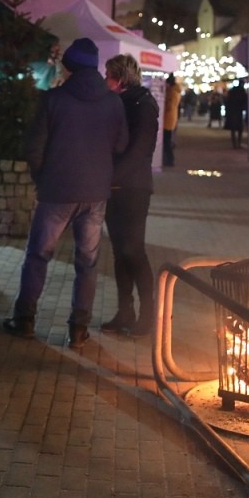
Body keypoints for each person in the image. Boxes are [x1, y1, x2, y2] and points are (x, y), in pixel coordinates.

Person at [3, 38, 127, 349]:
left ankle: (25, 320)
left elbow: (34, 146)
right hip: (95, 193)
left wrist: (43, 177)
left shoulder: (54, 99)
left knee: (38, 255)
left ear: (69, 65)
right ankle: (78, 329)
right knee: (87, 261)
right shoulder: (113, 102)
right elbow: (121, 145)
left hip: (57, 190)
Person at [100, 54, 160, 338]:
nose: (105, 80)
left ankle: (149, 315)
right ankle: (125, 311)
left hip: (134, 188)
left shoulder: (142, 105)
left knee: (133, 250)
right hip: (114, 187)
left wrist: (112, 178)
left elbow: (139, 151)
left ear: (120, 78)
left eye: (108, 75)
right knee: (119, 251)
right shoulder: (118, 103)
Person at [162, 74, 181, 167]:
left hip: (167, 120)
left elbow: (168, 107)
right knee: (167, 140)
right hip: (171, 119)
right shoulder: (176, 92)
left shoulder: (171, 93)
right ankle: (169, 159)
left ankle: (169, 160)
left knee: (166, 141)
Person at [225, 80, 247, 147]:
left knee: (234, 128)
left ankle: (235, 143)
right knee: (238, 128)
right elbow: (245, 102)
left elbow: (227, 101)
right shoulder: (242, 91)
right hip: (238, 111)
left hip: (233, 111)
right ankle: (238, 143)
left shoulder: (232, 91)